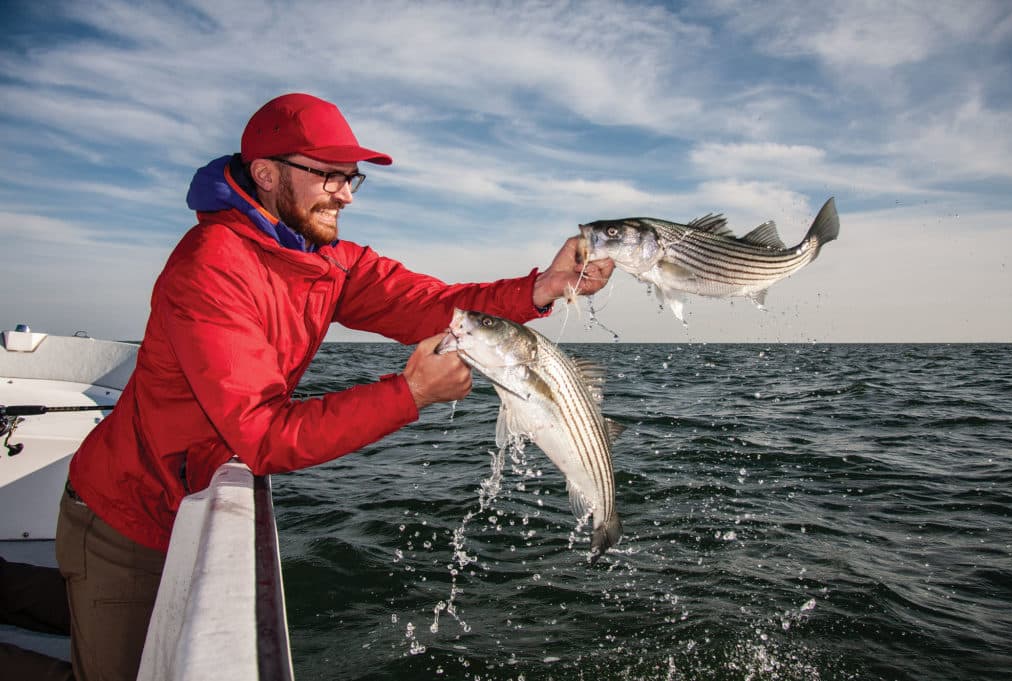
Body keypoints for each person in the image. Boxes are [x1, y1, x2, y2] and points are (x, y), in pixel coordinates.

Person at [48, 92, 613, 681]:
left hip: (183, 501)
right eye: (328, 176)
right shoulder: (211, 269)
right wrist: (410, 393)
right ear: (267, 174)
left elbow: (435, 305)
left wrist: (543, 287)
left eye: (351, 178)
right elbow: (265, 436)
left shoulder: (326, 259)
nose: (345, 193)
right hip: (126, 520)